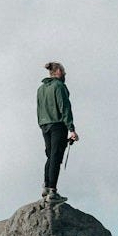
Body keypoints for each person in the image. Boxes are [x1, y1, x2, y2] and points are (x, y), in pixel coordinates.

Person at [37, 62, 79, 203]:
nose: (65, 74)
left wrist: (42, 124)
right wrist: (71, 129)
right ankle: (52, 191)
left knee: (50, 156)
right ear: (59, 71)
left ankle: (46, 186)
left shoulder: (41, 89)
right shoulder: (59, 87)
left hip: (44, 125)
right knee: (56, 156)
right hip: (57, 125)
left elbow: (39, 108)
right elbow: (65, 108)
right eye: (64, 71)